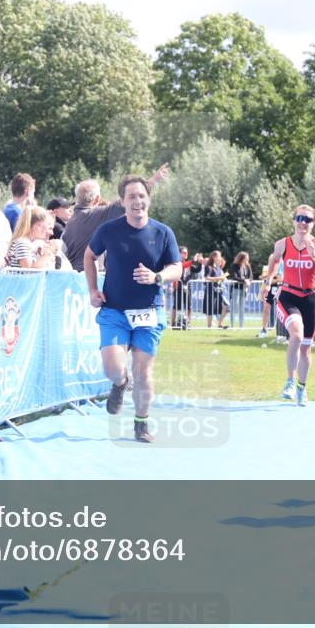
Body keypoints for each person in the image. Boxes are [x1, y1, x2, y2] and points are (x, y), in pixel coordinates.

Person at [84, 175, 181, 443]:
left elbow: (177, 268)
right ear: (123, 201)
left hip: (149, 312)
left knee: (143, 371)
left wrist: (157, 277)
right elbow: (89, 256)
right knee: (113, 369)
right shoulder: (109, 230)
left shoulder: (163, 233)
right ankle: (118, 383)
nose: (138, 201)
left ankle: (141, 423)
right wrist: (93, 289)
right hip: (114, 311)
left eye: (141, 196)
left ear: (148, 199)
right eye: (132, 197)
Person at [263, 205, 315, 406]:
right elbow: (275, 260)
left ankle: (302, 387)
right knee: (296, 333)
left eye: (308, 220)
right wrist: (269, 280)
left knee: (305, 348)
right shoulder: (282, 244)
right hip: (289, 296)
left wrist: (314, 256)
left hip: (310, 299)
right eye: (300, 218)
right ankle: (290, 381)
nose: (303, 222)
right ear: (293, 220)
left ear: (313, 224)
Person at [63, 164, 170, 271]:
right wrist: (153, 180)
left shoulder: (71, 221)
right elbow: (124, 202)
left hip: (73, 277)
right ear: (97, 199)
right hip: (88, 276)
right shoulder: (93, 215)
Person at [170, 247, 200, 329]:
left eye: (186, 252)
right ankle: (172, 323)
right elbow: (182, 266)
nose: (186, 254)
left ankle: (188, 322)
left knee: (189, 306)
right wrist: (192, 261)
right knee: (176, 306)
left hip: (187, 288)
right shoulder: (177, 262)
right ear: (179, 253)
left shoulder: (189, 264)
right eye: (183, 252)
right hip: (178, 287)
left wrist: (200, 263)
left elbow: (197, 270)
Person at [202, 250, 229, 329]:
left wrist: (222, 279)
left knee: (226, 306)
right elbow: (206, 277)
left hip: (219, 290)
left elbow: (219, 278)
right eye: (218, 256)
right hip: (210, 289)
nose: (220, 258)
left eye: (220, 256)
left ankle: (220, 323)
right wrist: (219, 278)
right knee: (210, 308)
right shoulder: (209, 267)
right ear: (213, 257)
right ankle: (209, 326)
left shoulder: (218, 268)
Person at [229, 251, 252, 329]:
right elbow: (234, 277)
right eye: (246, 258)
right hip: (236, 288)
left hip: (244, 289)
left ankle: (241, 326)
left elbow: (251, 276)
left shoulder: (247, 266)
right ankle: (232, 326)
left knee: (242, 308)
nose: (247, 260)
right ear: (241, 258)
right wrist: (244, 281)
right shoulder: (234, 266)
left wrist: (248, 281)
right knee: (234, 307)